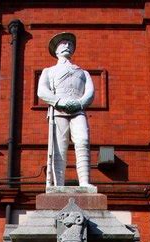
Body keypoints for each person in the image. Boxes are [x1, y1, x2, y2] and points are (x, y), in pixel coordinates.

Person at [37, 32, 94, 187]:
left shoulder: (83, 72)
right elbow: (42, 91)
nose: (67, 46)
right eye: (63, 43)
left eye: (70, 44)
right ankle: (58, 185)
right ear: (56, 51)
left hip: (78, 110)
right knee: (59, 148)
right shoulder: (48, 71)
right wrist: (59, 101)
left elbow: (90, 93)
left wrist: (80, 103)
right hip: (58, 111)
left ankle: (85, 182)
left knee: (83, 141)